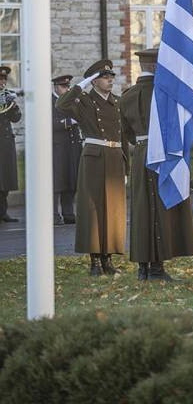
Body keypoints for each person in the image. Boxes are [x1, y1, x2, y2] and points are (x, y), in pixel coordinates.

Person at [120, 48, 193, 281]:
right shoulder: (165, 94)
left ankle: (143, 267)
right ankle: (156, 268)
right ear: (157, 66)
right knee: (161, 209)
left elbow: (127, 133)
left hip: (141, 153)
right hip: (163, 153)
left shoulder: (126, 96)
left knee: (142, 210)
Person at [56, 59, 128, 276]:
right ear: (95, 81)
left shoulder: (117, 101)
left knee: (112, 211)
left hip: (115, 158)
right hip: (94, 158)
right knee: (93, 209)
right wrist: (80, 85)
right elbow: (61, 105)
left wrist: (127, 168)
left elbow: (123, 136)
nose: (110, 80)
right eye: (105, 77)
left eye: (111, 77)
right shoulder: (84, 101)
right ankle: (94, 261)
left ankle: (108, 259)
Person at [51, 74, 82, 225]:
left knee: (71, 179)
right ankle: (53, 214)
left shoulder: (71, 102)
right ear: (56, 87)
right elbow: (48, 123)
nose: (67, 89)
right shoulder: (49, 101)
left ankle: (68, 213)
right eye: (64, 87)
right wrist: (68, 122)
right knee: (57, 181)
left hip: (72, 146)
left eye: (68, 86)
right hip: (57, 147)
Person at [0, 65, 21, 223]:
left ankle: (3, 212)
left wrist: (13, 107)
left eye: (4, 79)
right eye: (0, 79)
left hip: (6, 142)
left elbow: (15, 118)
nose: (2, 82)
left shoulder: (7, 96)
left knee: (5, 177)